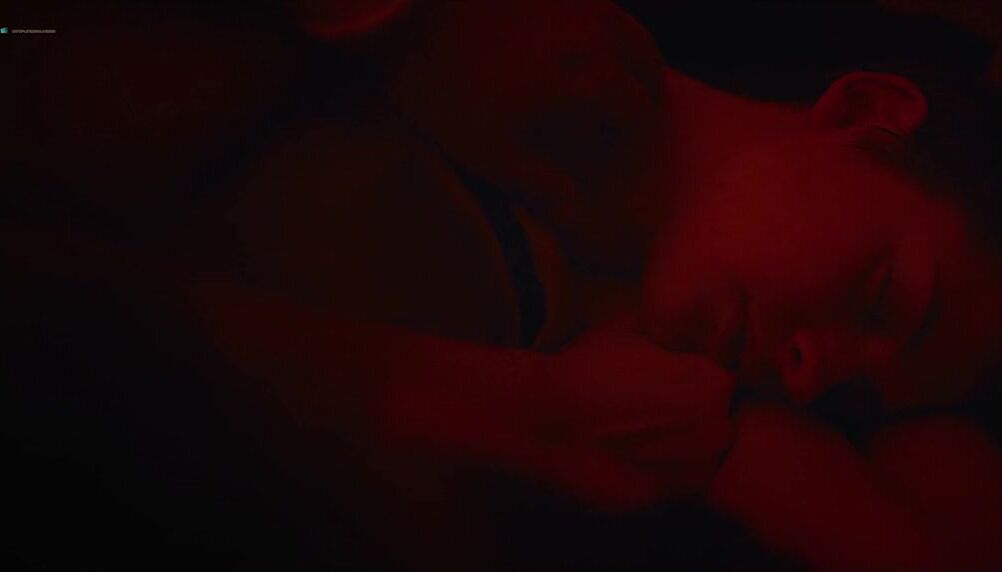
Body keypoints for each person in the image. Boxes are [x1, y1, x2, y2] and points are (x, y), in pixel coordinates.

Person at [5, 0, 1002, 569]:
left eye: (851, 396)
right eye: (883, 298)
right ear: (863, 112)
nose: (810, 371)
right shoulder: (543, 52)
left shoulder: (665, 391)